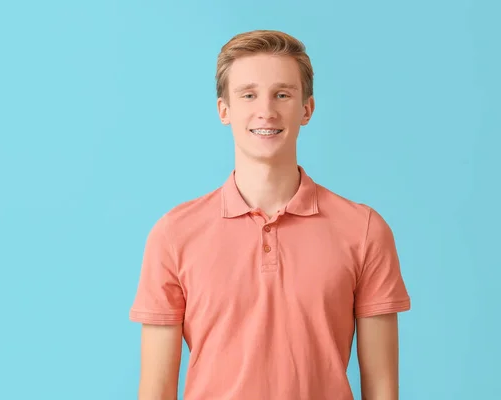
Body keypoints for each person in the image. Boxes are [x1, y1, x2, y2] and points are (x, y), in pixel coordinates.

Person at [129, 29, 411, 400]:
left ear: (306, 109)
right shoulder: (173, 235)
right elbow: (155, 391)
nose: (266, 110)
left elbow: (382, 390)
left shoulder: (364, 231)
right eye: (248, 95)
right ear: (224, 110)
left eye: (282, 94)